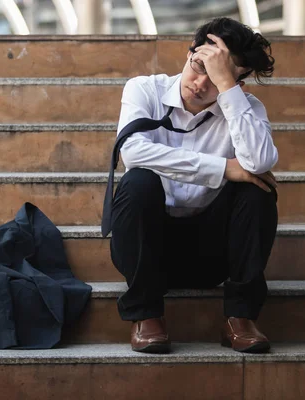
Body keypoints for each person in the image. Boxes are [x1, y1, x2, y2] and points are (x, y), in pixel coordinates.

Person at [102, 17, 278, 354]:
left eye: (215, 78)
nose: (200, 83)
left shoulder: (246, 108)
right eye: (198, 65)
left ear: (236, 82)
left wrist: (228, 90)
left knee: (257, 188)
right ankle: (147, 315)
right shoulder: (144, 89)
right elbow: (133, 152)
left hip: (211, 253)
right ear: (189, 52)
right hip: (146, 249)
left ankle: (240, 318)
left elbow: (259, 163)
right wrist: (224, 168)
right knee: (139, 181)